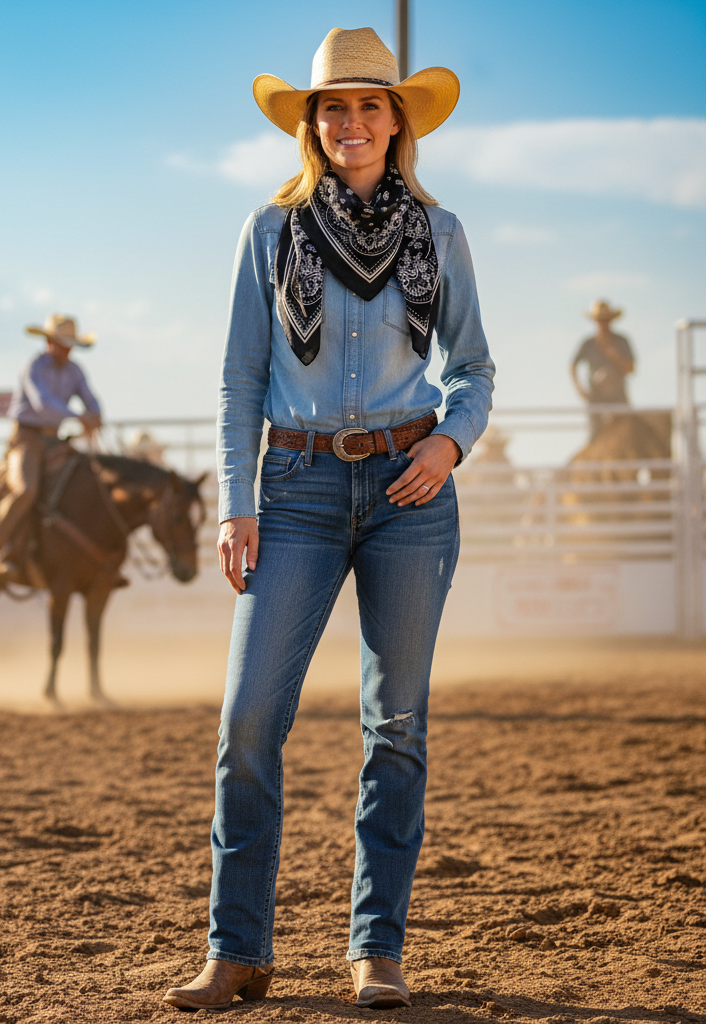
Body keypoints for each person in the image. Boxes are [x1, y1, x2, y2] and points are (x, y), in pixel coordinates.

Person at [164, 27, 494, 1013]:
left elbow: (473, 369)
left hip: (410, 489)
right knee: (248, 720)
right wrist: (237, 502)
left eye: (370, 106)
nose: (351, 123)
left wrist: (448, 442)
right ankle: (238, 950)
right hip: (297, 489)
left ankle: (375, 949)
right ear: (311, 125)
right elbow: (239, 378)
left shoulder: (442, 235)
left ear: (398, 123)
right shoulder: (268, 234)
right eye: (333, 108)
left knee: (394, 726)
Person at [0, 314, 102, 585]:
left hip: (54, 439)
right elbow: (42, 402)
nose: (66, 350)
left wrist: (96, 414)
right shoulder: (33, 366)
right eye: (62, 343)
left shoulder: (74, 371)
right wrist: (80, 417)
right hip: (26, 438)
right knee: (26, 489)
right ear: (49, 342)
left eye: (70, 345)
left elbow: (90, 398)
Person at [570, 300, 635, 438]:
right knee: (595, 434)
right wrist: (579, 389)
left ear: (611, 320)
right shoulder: (588, 343)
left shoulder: (621, 341)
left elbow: (631, 368)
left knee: (628, 432)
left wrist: (614, 355)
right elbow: (572, 365)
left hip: (618, 395)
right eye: (600, 320)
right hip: (596, 396)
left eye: (605, 320)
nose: (602, 323)